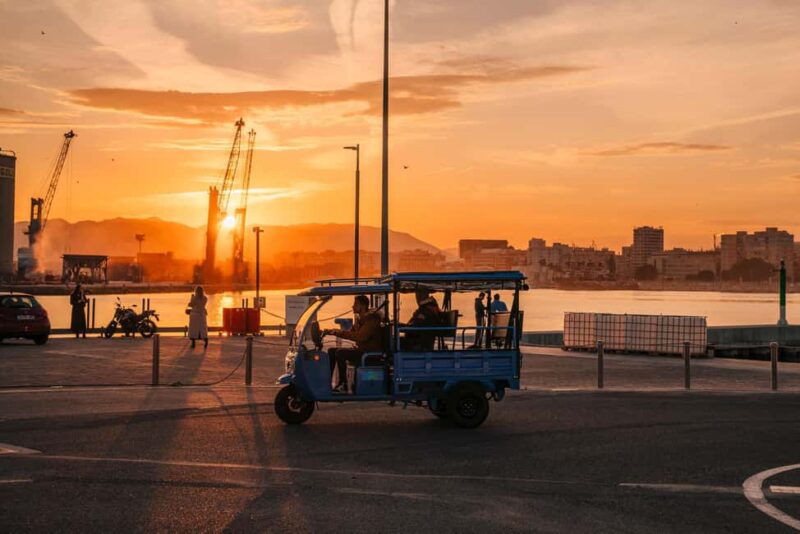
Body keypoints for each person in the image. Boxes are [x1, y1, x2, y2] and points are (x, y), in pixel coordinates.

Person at [324, 295, 383, 392]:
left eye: (355, 304)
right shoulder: (361, 319)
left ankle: (344, 384)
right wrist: (333, 331)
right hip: (362, 350)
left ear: (362, 306)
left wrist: (341, 333)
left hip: (369, 353)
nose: (353, 306)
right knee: (331, 351)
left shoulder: (371, 320)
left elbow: (361, 336)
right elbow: (350, 333)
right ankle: (327, 383)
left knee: (340, 353)